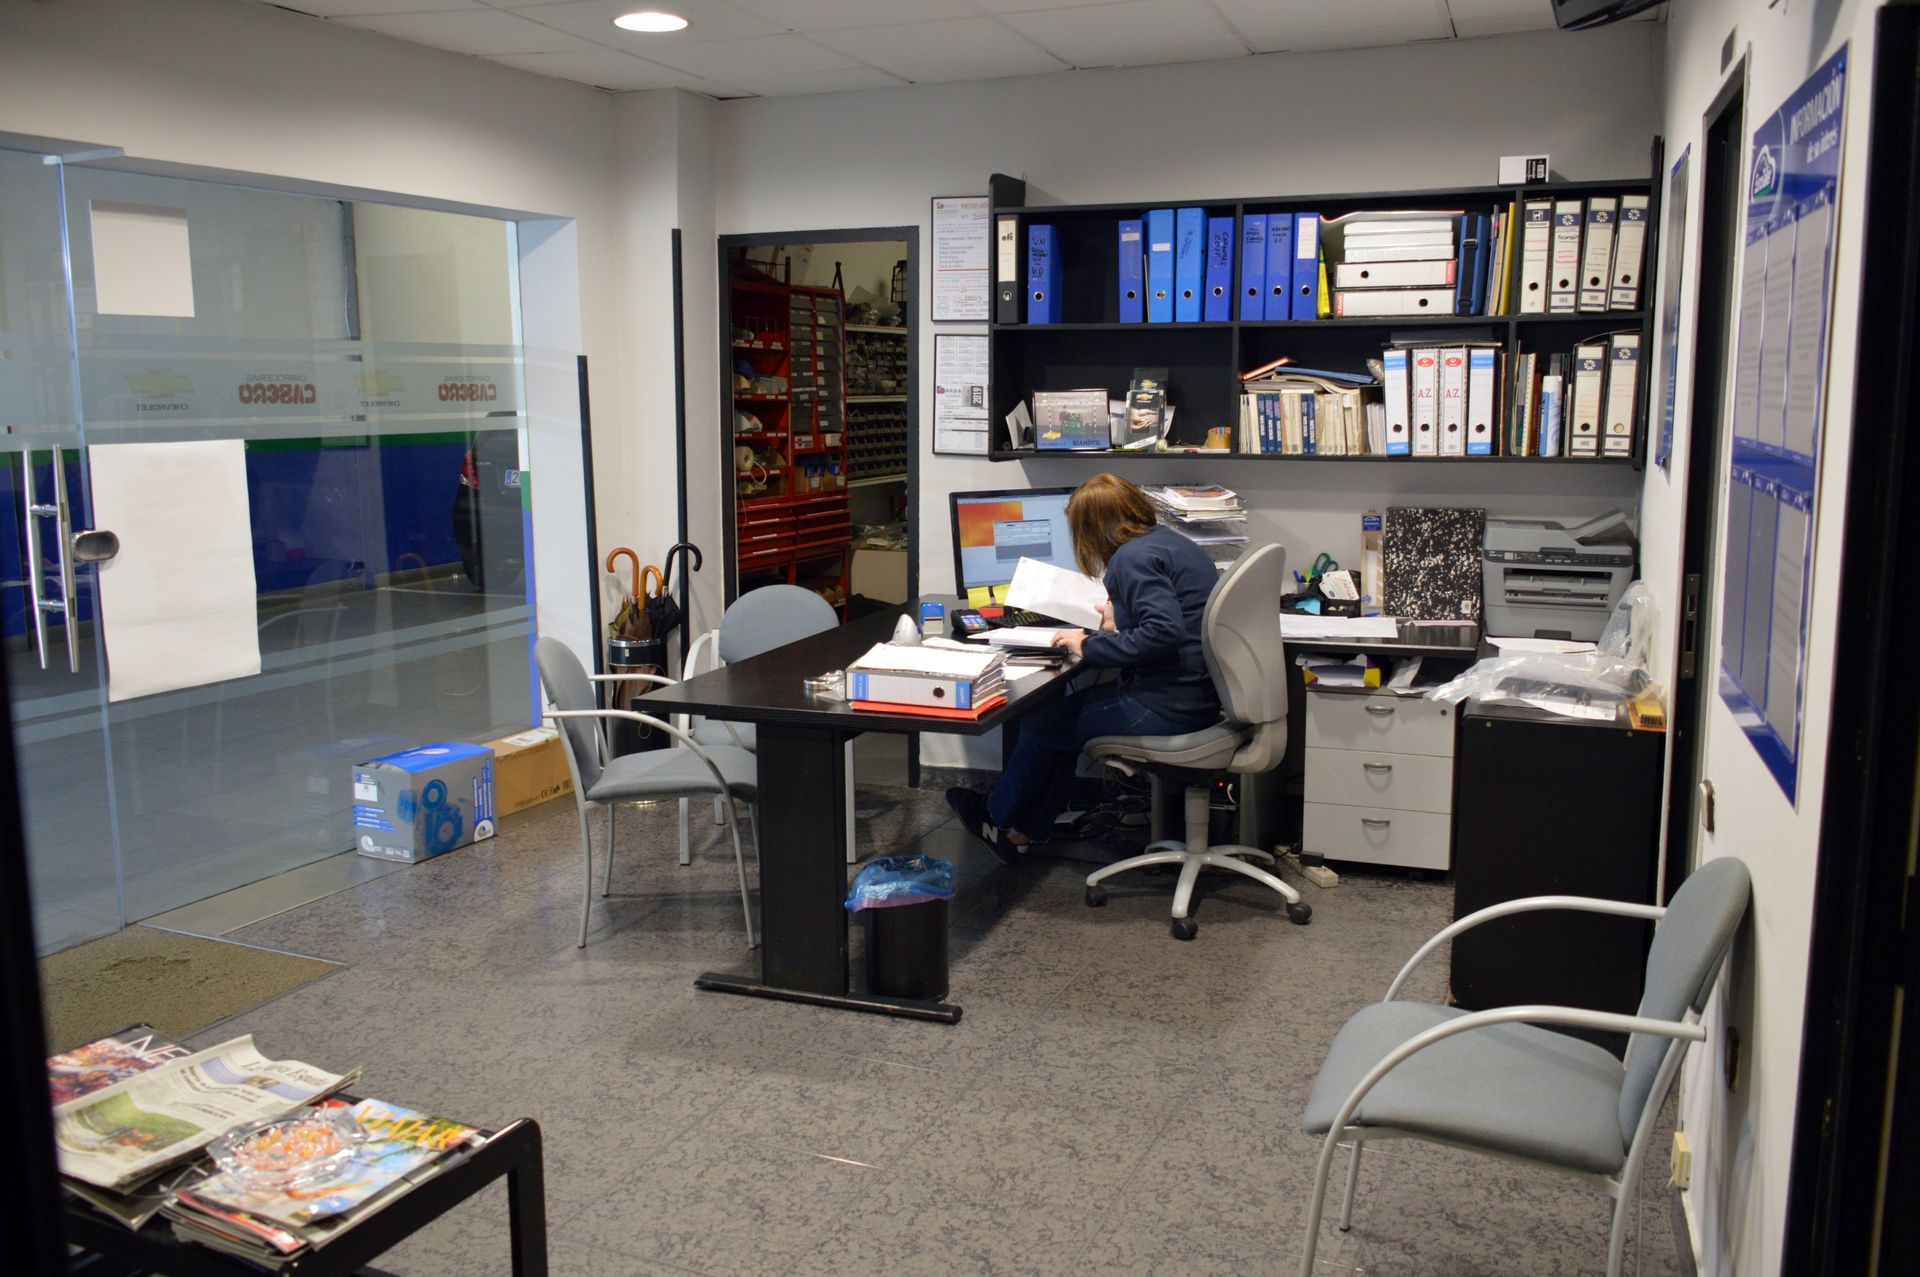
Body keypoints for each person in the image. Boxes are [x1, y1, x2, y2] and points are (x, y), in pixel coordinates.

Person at [948, 473, 1223, 862]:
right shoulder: (1172, 543)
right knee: (1059, 727)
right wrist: (1120, 624)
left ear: (1090, 529)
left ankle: (995, 818)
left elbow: (1164, 632)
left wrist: (1088, 644)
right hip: (1196, 695)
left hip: (1165, 706)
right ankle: (1023, 834)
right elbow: (1174, 618)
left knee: (1042, 725)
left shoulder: (1130, 558)